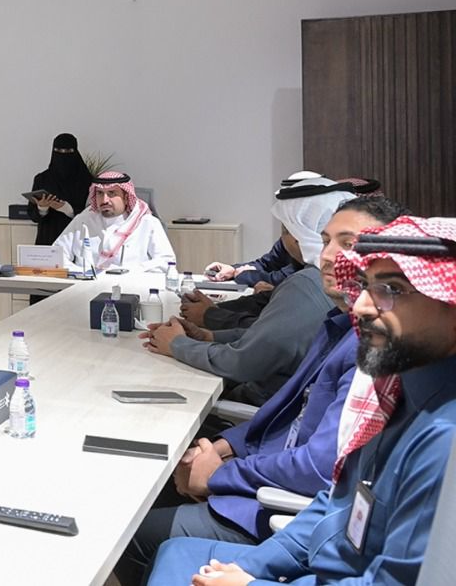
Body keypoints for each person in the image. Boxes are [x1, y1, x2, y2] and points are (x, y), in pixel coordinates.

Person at [146, 215, 456, 586]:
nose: (360, 307)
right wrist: (253, 567)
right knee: (173, 553)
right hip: (314, 563)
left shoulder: (443, 436)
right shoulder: (396, 393)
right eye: (365, 286)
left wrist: (252, 584)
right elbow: (335, 504)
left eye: (391, 290)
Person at [140, 179, 349, 406]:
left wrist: (177, 345)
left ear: (298, 235)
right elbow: (272, 340)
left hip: (265, 404)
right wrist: (208, 336)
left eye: (285, 231)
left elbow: (244, 363)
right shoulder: (336, 280)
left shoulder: (306, 284)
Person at [189, 176, 373, 330]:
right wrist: (218, 306)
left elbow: (268, 337)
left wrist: (210, 317)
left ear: (298, 233)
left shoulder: (311, 278)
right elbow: (267, 269)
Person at [53, 171, 176, 274]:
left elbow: (165, 262)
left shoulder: (147, 223)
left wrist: (128, 272)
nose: (104, 200)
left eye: (111, 193)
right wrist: (81, 272)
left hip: (131, 287)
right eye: (100, 193)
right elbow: (56, 255)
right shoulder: (83, 220)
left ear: (126, 198)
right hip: (85, 286)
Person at [27, 133, 92, 245]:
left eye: (68, 151)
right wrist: (42, 208)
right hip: (47, 240)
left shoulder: (87, 181)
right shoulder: (42, 179)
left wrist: (68, 209)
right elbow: (33, 215)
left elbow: (92, 215)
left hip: (76, 240)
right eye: (58, 151)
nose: (63, 155)